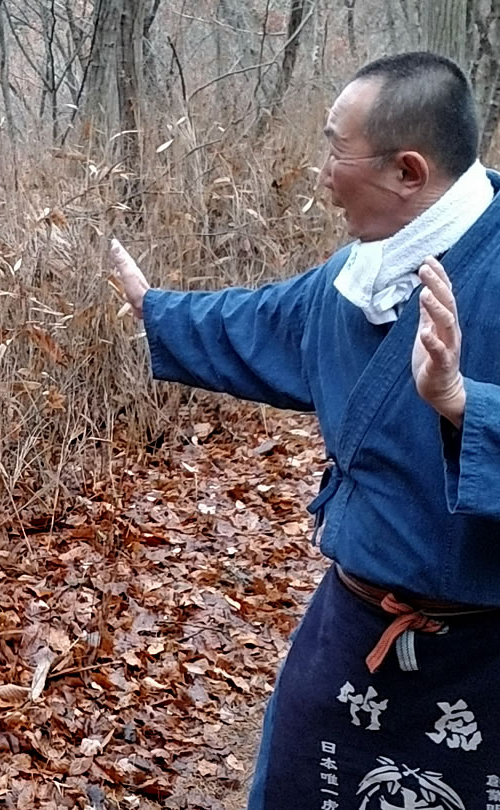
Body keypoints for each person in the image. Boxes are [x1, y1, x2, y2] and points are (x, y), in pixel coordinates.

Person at [110, 52, 500, 808]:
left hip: (489, 658)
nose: (321, 171)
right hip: (357, 628)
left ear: (407, 171)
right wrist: (158, 308)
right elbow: (271, 319)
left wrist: (462, 403)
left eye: (334, 147)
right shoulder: (362, 274)